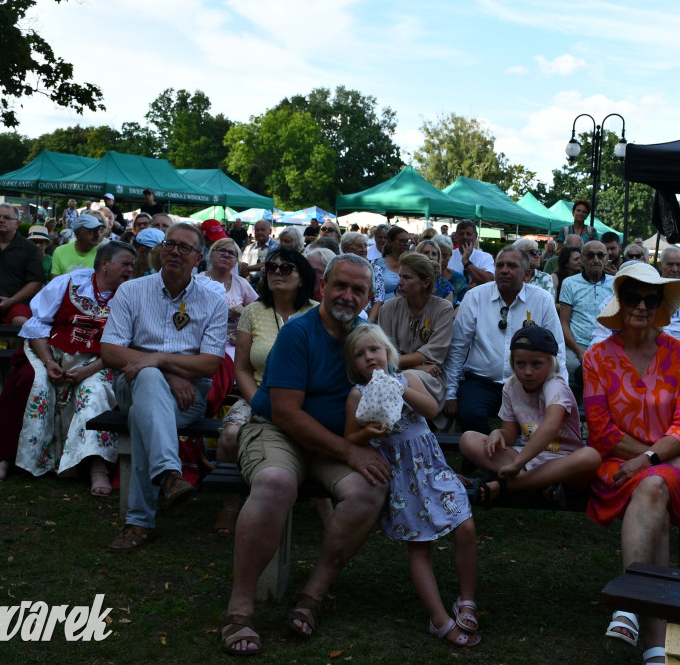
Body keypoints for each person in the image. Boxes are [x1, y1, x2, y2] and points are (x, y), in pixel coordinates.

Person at [221, 254, 386, 655]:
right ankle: (239, 609)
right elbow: (285, 413)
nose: (348, 296)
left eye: (358, 290)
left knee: (369, 489)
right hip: (279, 431)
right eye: (340, 286)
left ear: (368, 296)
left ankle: (312, 596)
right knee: (275, 482)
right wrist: (350, 449)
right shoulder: (298, 333)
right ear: (323, 288)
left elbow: (385, 389)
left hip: (335, 438)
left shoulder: (365, 337)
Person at [582, 262, 680, 662]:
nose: (642, 306)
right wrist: (660, 458)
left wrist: (651, 459)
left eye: (652, 299)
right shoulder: (597, 358)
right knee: (657, 496)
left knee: (654, 485)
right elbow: (601, 433)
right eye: (633, 297)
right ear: (621, 302)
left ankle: (628, 603)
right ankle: (656, 645)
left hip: (653, 467)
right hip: (619, 467)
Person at [342, 324, 480, 648]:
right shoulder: (357, 395)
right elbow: (350, 437)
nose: (369, 358)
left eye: (374, 350)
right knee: (420, 546)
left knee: (467, 529)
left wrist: (397, 386)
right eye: (360, 355)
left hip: (432, 469)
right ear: (353, 365)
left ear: (388, 352)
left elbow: (431, 410)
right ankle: (439, 619)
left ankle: (468, 600)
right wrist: (369, 434)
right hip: (402, 479)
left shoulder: (409, 379)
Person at [100, 223, 227, 551]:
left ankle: (140, 521)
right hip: (134, 385)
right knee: (148, 381)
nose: (174, 251)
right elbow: (111, 351)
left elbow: (210, 363)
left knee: (147, 412)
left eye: (184, 248)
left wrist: (155, 359)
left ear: (198, 258)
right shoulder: (132, 290)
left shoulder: (213, 298)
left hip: (190, 397)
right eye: (170, 244)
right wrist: (166, 370)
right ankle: (168, 473)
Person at [0, 242, 137, 487]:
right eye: (126, 263)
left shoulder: (132, 295)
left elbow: (126, 346)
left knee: (94, 391)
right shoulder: (69, 282)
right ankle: (6, 455)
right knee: (33, 382)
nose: (131, 270)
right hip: (51, 352)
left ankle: (97, 464)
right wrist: (49, 361)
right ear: (104, 264)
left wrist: (87, 370)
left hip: (100, 362)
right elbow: (37, 325)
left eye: (132, 266)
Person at [212, 247, 317, 537]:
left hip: (304, 398)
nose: (276, 272)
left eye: (286, 268)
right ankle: (231, 505)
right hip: (257, 392)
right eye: (271, 267)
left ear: (302, 276)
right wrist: (257, 400)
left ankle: (324, 507)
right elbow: (242, 369)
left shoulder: (317, 313)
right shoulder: (253, 312)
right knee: (231, 433)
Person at [459, 326, 600, 503]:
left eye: (536, 364)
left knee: (590, 457)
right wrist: (497, 434)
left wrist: (517, 464)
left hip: (563, 461)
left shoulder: (555, 385)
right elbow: (510, 434)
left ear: (550, 363)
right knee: (468, 439)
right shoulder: (511, 386)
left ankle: (506, 486)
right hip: (527, 461)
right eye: (520, 364)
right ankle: (542, 487)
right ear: (512, 363)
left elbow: (550, 428)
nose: (527, 371)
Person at [444, 246, 567, 435]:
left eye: (511, 266)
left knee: (535, 427)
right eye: (499, 265)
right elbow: (458, 347)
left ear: (526, 274)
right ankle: (492, 454)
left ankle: (490, 456)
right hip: (482, 381)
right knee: (468, 415)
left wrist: (560, 393)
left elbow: (556, 349)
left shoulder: (541, 299)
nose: (504, 270)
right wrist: (450, 393)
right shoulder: (476, 296)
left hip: (527, 383)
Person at [376, 252, 455, 410]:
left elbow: (434, 353)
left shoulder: (442, 308)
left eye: (407, 277)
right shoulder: (388, 308)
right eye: (400, 276)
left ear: (425, 282)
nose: (399, 282)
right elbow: (382, 353)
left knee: (407, 379)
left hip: (430, 377)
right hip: (394, 372)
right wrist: (417, 366)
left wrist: (397, 363)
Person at [558, 240, 614, 401]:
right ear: (582, 259)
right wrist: (579, 351)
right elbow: (564, 322)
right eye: (590, 255)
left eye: (600, 255)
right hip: (578, 344)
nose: (595, 260)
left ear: (606, 259)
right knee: (570, 366)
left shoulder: (616, 283)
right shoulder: (570, 283)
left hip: (607, 344)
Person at [198, 237, 258, 360]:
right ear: (210, 256)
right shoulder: (198, 281)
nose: (226, 255)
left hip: (234, 343)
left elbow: (259, 312)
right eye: (221, 250)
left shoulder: (242, 283)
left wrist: (245, 312)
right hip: (201, 342)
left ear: (236, 262)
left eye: (231, 253)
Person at [447, 220, 493, 285]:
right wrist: (472, 285)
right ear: (456, 236)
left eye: (468, 234)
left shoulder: (485, 257)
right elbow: (445, 282)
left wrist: (466, 262)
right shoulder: (448, 256)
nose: (465, 237)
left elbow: (490, 280)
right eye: (461, 234)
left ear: (475, 236)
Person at [374, 225, 410, 300]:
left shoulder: (412, 263)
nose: (406, 244)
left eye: (407, 241)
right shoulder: (380, 263)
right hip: (383, 308)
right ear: (390, 241)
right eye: (402, 241)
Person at [415, 239, 455, 304]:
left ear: (438, 259)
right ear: (417, 255)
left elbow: (446, 312)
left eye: (434, 254)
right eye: (426, 253)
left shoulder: (445, 287)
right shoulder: (407, 280)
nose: (430, 257)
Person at [432, 234, 466, 306]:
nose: (441, 260)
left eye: (445, 255)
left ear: (450, 255)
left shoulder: (458, 279)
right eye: (438, 255)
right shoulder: (421, 277)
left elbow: (462, 304)